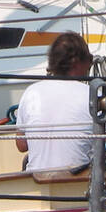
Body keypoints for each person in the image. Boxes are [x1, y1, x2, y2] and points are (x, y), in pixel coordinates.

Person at [15, 32, 96, 172]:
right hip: (77, 182)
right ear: (77, 62)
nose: (89, 65)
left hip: (37, 181)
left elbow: (21, 145)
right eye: (89, 60)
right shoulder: (93, 94)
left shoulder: (31, 92)